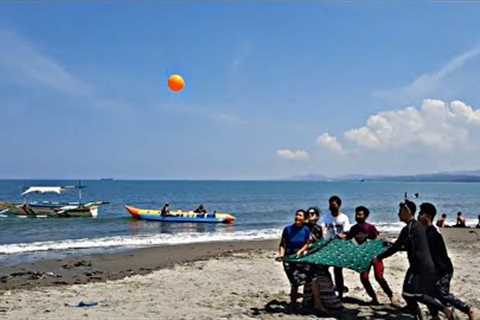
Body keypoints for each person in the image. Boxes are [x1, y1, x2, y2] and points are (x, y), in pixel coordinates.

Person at [374, 200, 452, 319]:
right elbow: (404, 245)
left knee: (413, 294)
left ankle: (442, 309)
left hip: (420, 267)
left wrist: (379, 257)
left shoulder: (413, 227)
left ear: (407, 211)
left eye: (400, 211)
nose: (398, 214)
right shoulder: (411, 227)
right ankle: (422, 312)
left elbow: (397, 247)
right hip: (417, 266)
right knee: (411, 293)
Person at [418, 203, 476, 320]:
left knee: (442, 294)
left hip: (443, 269)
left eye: (420, 214)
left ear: (427, 216)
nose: (418, 216)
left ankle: (467, 309)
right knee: (428, 293)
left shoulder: (433, 234)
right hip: (435, 270)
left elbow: (436, 256)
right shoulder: (426, 232)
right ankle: (436, 315)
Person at [347, 206, 394, 305]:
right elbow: (349, 241)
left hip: (375, 256)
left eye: (360, 214)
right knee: (364, 278)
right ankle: (374, 298)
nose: (357, 216)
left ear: (366, 216)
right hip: (363, 257)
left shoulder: (370, 227)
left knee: (379, 277)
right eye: (356, 214)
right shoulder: (353, 228)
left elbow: (377, 239)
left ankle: (391, 296)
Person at [276, 209, 310, 306]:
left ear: (304, 218)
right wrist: (281, 255)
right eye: (296, 215)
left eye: (300, 215)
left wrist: (301, 251)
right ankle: (293, 303)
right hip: (289, 257)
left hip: (301, 257)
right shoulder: (287, 229)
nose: (297, 217)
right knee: (294, 281)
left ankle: (303, 301)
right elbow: (283, 244)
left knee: (305, 279)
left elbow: (307, 243)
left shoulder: (306, 229)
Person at [319, 195, 350, 299]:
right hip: (327, 246)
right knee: (324, 268)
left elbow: (346, 232)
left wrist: (342, 236)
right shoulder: (325, 217)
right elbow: (322, 229)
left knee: (338, 271)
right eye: (330, 205)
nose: (332, 207)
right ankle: (330, 287)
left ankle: (340, 293)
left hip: (339, 247)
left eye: (334, 205)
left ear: (339, 205)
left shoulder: (344, 217)